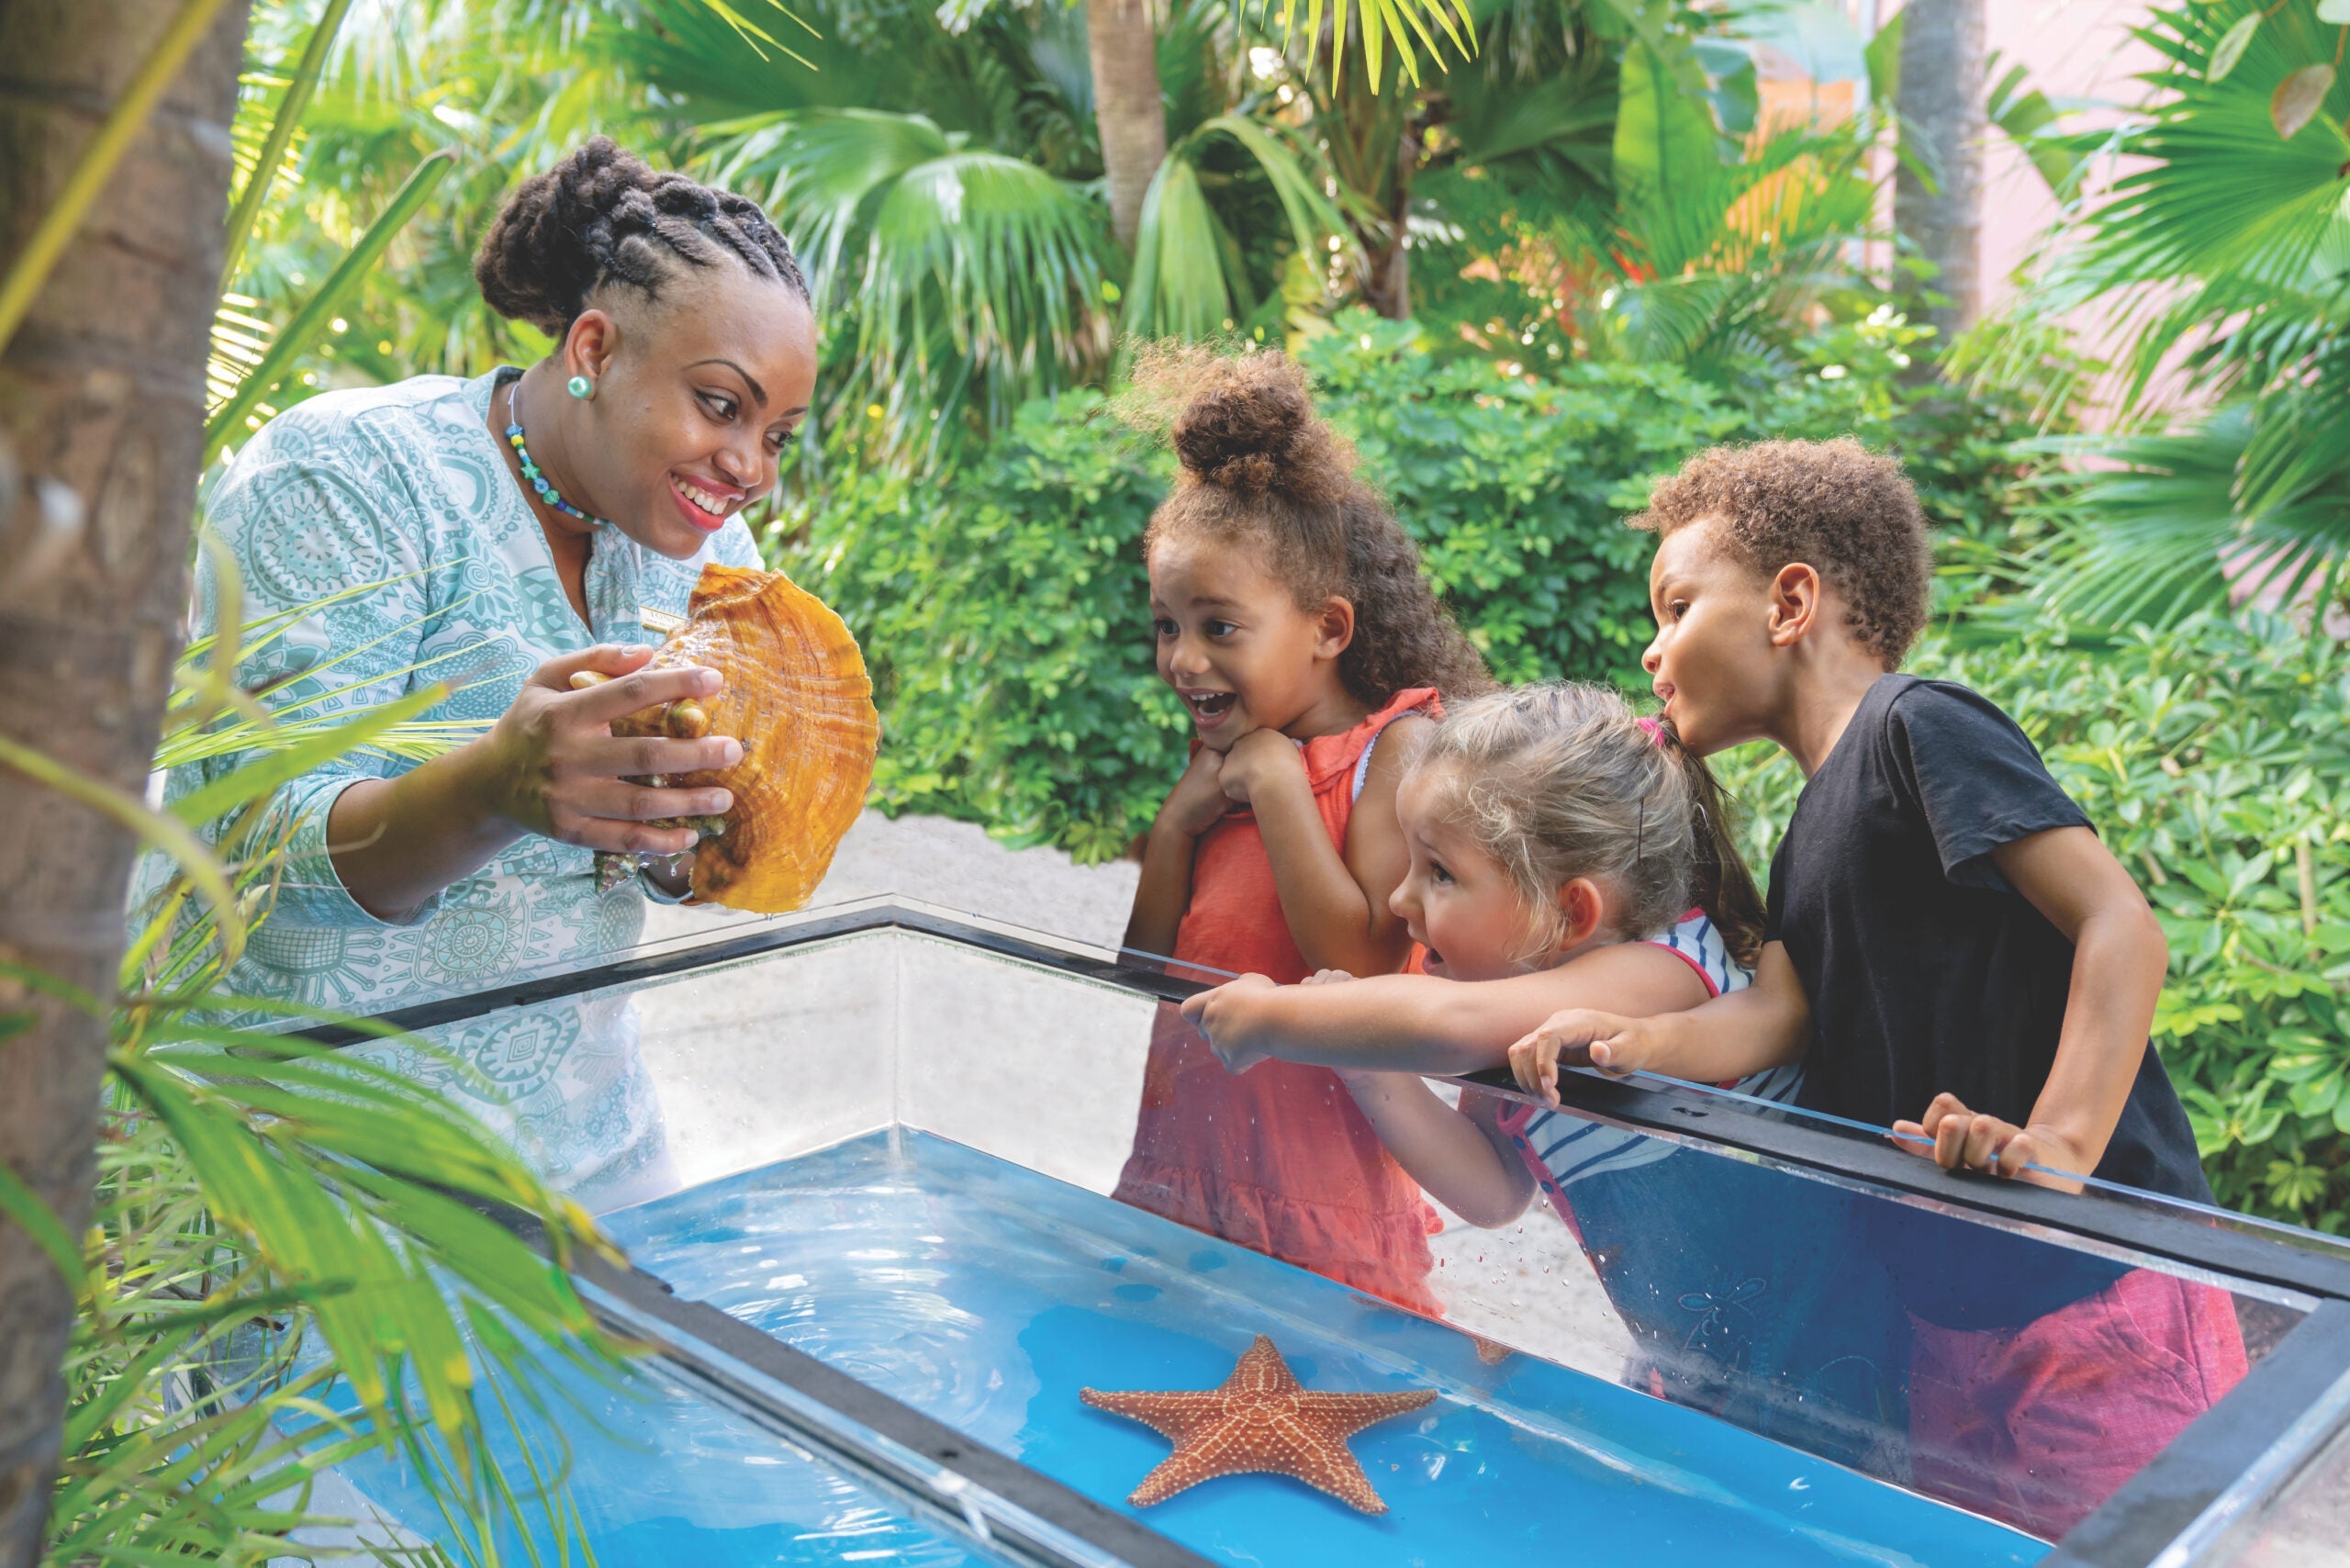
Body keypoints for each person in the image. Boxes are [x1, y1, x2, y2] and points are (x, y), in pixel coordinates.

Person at [1512, 438, 2246, 1535]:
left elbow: (2120, 925)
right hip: (1949, 1313)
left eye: (1673, 607)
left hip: (2099, 1296)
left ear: (1789, 600)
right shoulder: (1807, 825)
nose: (1654, 650)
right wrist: (1629, 1039)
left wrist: (2056, 1146)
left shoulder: (1918, 727)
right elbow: (1777, 1013)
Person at [142, 138, 818, 1210]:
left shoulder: (711, 563)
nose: (750, 468)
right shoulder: (348, 476)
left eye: (778, 435)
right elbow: (241, 848)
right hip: (300, 1167)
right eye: (721, 405)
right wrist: (498, 790)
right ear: (594, 346)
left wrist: (698, 833)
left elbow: (658, 861)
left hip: (589, 1158)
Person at [1181, 684, 1907, 1472]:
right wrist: (1364, 1068)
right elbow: (1495, 1191)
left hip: (1838, 1384)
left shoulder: (1661, 976)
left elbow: (1441, 1027)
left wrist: (1274, 1019)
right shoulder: (1515, 1009)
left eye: (1440, 874)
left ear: (1571, 914)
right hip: (1709, 1374)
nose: (1400, 897)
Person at [1112, 348, 1490, 1314]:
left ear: (1326, 628)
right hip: (1185, 1166)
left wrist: (1279, 788)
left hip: (1318, 1196)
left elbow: (1360, 967)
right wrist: (1176, 825)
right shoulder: (1231, 755)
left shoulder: (1391, 750)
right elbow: (1142, 970)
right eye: (1165, 625)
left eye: (1218, 627)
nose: (1182, 659)